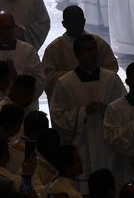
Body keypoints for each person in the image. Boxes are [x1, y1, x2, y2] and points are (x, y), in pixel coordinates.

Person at [49, 34, 128, 178]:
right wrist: (84, 112)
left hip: (107, 146)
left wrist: (108, 110)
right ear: (77, 54)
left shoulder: (111, 79)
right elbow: (57, 117)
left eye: (94, 49)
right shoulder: (65, 83)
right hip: (81, 146)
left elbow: (124, 109)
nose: (93, 53)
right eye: (88, 50)